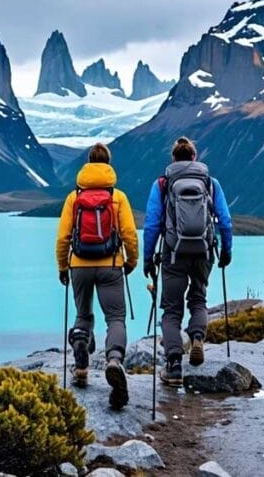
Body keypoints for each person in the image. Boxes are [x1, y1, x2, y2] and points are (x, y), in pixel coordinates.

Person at [143, 137, 233, 387]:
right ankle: (197, 338)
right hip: (204, 251)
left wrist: (148, 258)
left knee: (171, 310)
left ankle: (173, 367)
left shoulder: (162, 184)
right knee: (198, 298)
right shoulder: (210, 183)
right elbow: (225, 220)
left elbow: (151, 224)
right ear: (194, 157)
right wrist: (226, 250)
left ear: (173, 159)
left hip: (173, 253)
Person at [56, 142, 139, 409]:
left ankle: (80, 365)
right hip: (110, 264)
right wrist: (131, 260)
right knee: (115, 317)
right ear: (108, 164)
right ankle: (114, 359)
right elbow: (129, 233)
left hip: (79, 264)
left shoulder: (73, 197)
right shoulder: (117, 197)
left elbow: (63, 237)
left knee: (83, 314)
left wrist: (62, 266)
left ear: (88, 163)